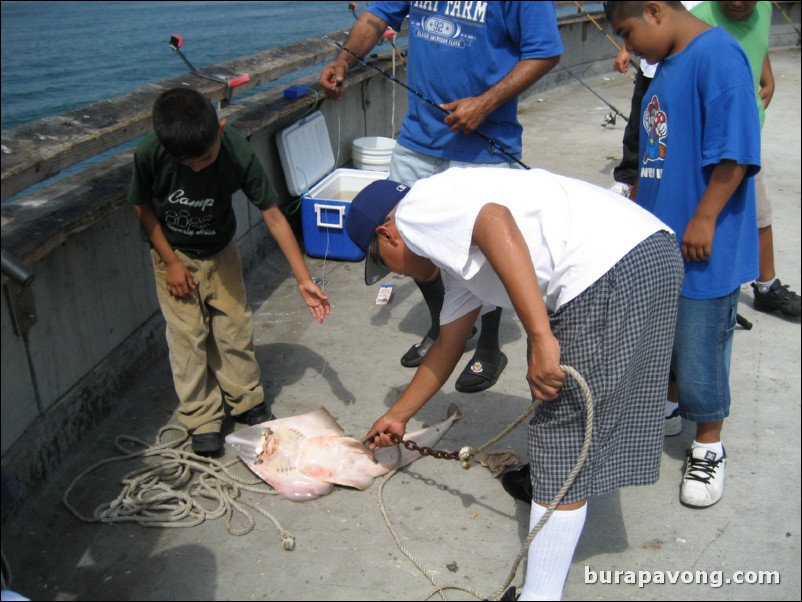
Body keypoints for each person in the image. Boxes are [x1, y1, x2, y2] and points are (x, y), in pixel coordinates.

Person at [345, 169, 684, 600]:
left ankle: (539, 595)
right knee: (578, 424)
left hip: (605, 269)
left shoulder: (415, 211)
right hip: (648, 250)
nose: (398, 274)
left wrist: (541, 337)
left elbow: (493, 221)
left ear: (386, 235)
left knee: (561, 436)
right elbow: (449, 344)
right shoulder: (456, 252)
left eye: (383, 263)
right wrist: (398, 416)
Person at [320, 2, 563, 393]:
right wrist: (344, 61)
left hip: (487, 143)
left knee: (489, 251)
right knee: (408, 240)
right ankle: (443, 324)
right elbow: (376, 16)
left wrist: (486, 103)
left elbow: (545, 51)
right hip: (418, 139)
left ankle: (489, 343)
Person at [606, 1, 762, 508]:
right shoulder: (666, 65)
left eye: (628, 34)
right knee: (666, 340)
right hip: (660, 240)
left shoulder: (718, 54)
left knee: (701, 351)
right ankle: (670, 408)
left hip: (703, 247)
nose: (627, 49)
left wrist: (705, 216)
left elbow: (737, 148)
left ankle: (709, 445)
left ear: (654, 11)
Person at [128, 88, 331, 457]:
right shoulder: (150, 153)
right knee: (187, 338)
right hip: (172, 256)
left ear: (221, 128)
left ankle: (245, 399)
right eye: (187, 164)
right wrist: (171, 262)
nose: (197, 167)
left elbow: (272, 214)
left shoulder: (236, 151)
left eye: (204, 158)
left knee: (234, 326)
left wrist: (304, 279)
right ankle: (201, 418)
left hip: (221, 251)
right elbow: (141, 206)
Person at [692, 0, 801, 317]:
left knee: (759, 211)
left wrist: (767, 76)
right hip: (710, 139)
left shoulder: (765, 10)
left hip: (748, 134)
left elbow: (757, 44)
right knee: (706, 214)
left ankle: (766, 285)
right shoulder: (698, 20)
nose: (737, 3)